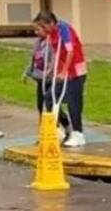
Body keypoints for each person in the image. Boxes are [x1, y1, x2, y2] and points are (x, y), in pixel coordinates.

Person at [33, 11, 88, 149]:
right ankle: (61, 128)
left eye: (43, 27)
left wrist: (64, 71)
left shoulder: (64, 29)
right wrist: (52, 71)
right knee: (49, 97)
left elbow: (70, 51)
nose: (42, 30)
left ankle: (78, 133)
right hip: (63, 71)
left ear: (51, 23)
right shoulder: (51, 34)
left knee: (73, 102)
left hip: (76, 71)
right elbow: (57, 52)